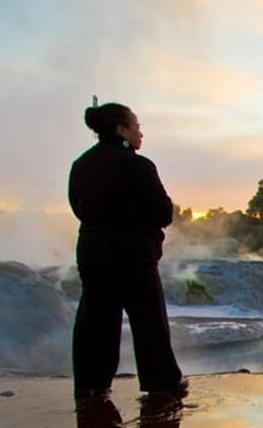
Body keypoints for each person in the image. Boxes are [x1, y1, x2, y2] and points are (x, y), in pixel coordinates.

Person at [70, 100, 187, 399]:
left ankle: (91, 385)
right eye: (136, 126)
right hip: (132, 252)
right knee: (148, 320)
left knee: (96, 319)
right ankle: (161, 383)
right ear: (120, 129)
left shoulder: (81, 165)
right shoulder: (138, 165)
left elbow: (78, 208)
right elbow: (163, 213)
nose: (141, 133)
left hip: (92, 250)